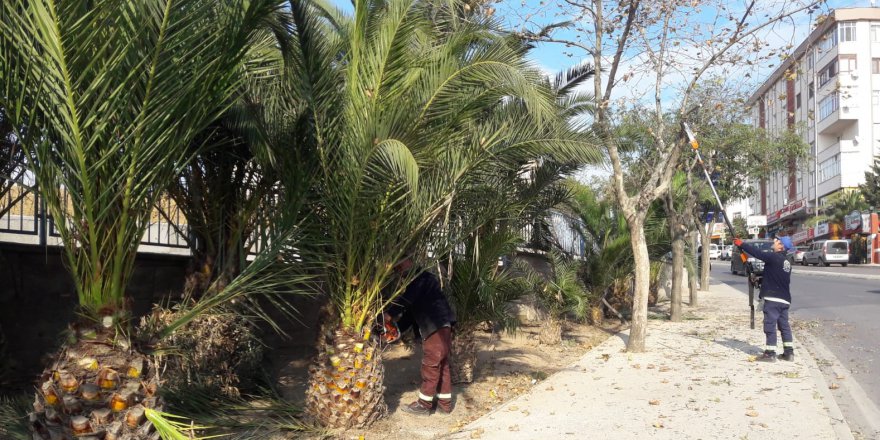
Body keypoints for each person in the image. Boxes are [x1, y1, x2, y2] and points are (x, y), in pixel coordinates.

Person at [385, 256, 456, 415]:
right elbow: (410, 314)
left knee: (430, 365)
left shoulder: (422, 279)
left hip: (436, 328)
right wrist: (395, 330)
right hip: (442, 327)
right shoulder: (419, 285)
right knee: (442, 365)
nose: (398, 272)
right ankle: (445, 404)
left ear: (409, 261)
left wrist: (389, 314)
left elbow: (407, 300)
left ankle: (424, 405)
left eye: (398, 267)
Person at [734, 235, 795, 362]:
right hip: (784, 300)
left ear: (781, 246)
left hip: (772, 299)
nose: (774, 241)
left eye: (777, 240)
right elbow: (775, 276)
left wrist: (741, 244)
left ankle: (770, 354)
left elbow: (757, 253)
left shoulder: (773, 257)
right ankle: (789, 353)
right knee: (784, 326)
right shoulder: (787, 262)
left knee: (770, 325)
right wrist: (760, 279)